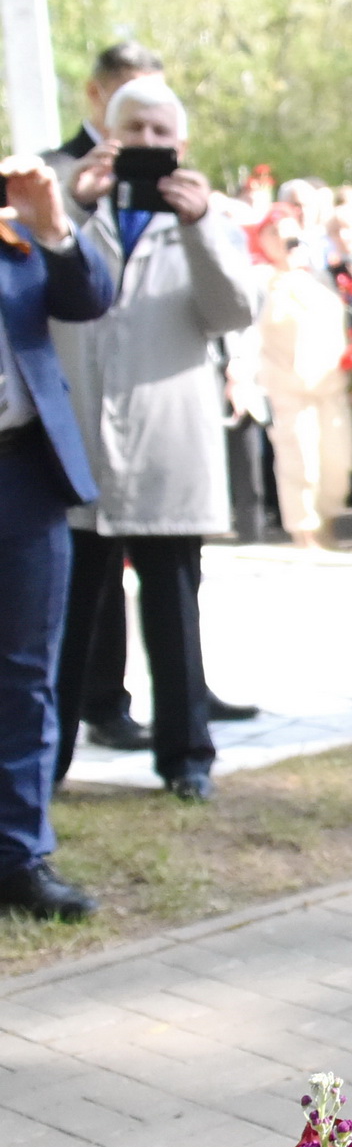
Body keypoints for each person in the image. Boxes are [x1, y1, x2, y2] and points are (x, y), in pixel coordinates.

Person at [53, 76, 256, 801]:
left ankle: (186, 758)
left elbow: (232, 312)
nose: (146, 145)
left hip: (167, 445)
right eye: (132, 129)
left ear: (181, 145)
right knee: (69, 620)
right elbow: (33, 291)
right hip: (79, 447)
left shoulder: (209, 221)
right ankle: (47, 762)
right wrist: (73, 206)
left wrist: (200, 226)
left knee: (173, 611)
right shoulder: (67, 208)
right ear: (108, 133)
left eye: (159, 133)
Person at [0, 156, 114, 921]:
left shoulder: (17, 232)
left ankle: (18, 856)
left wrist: (53, 227)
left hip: (23, 472)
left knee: (26, 672)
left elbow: (88, 298)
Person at [44, 40, 165, 749]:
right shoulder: (54, 173)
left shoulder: (176, 180)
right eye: (126, 96)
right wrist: (71, 200)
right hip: (79, 395)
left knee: (164, 562)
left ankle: (176, 692)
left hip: (150, 395)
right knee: (87, 564)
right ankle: (91, 702)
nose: (139, 120)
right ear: (96, 96)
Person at [253, 206, 352, 549]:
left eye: (290, 234)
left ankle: (327, 520)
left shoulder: (321, 278)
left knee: (337, 462)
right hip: (289, 390)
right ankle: (305, 531)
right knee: (301, 463)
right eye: (276, 235)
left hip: (331, 386)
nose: (286, 242)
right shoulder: (261, 282)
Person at [44, 40, 164, 205]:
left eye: (157, 98)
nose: (147, 109)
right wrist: (75, 201)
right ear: (94, 92)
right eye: (131, 97)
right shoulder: (49, 174)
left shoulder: (167, 178)